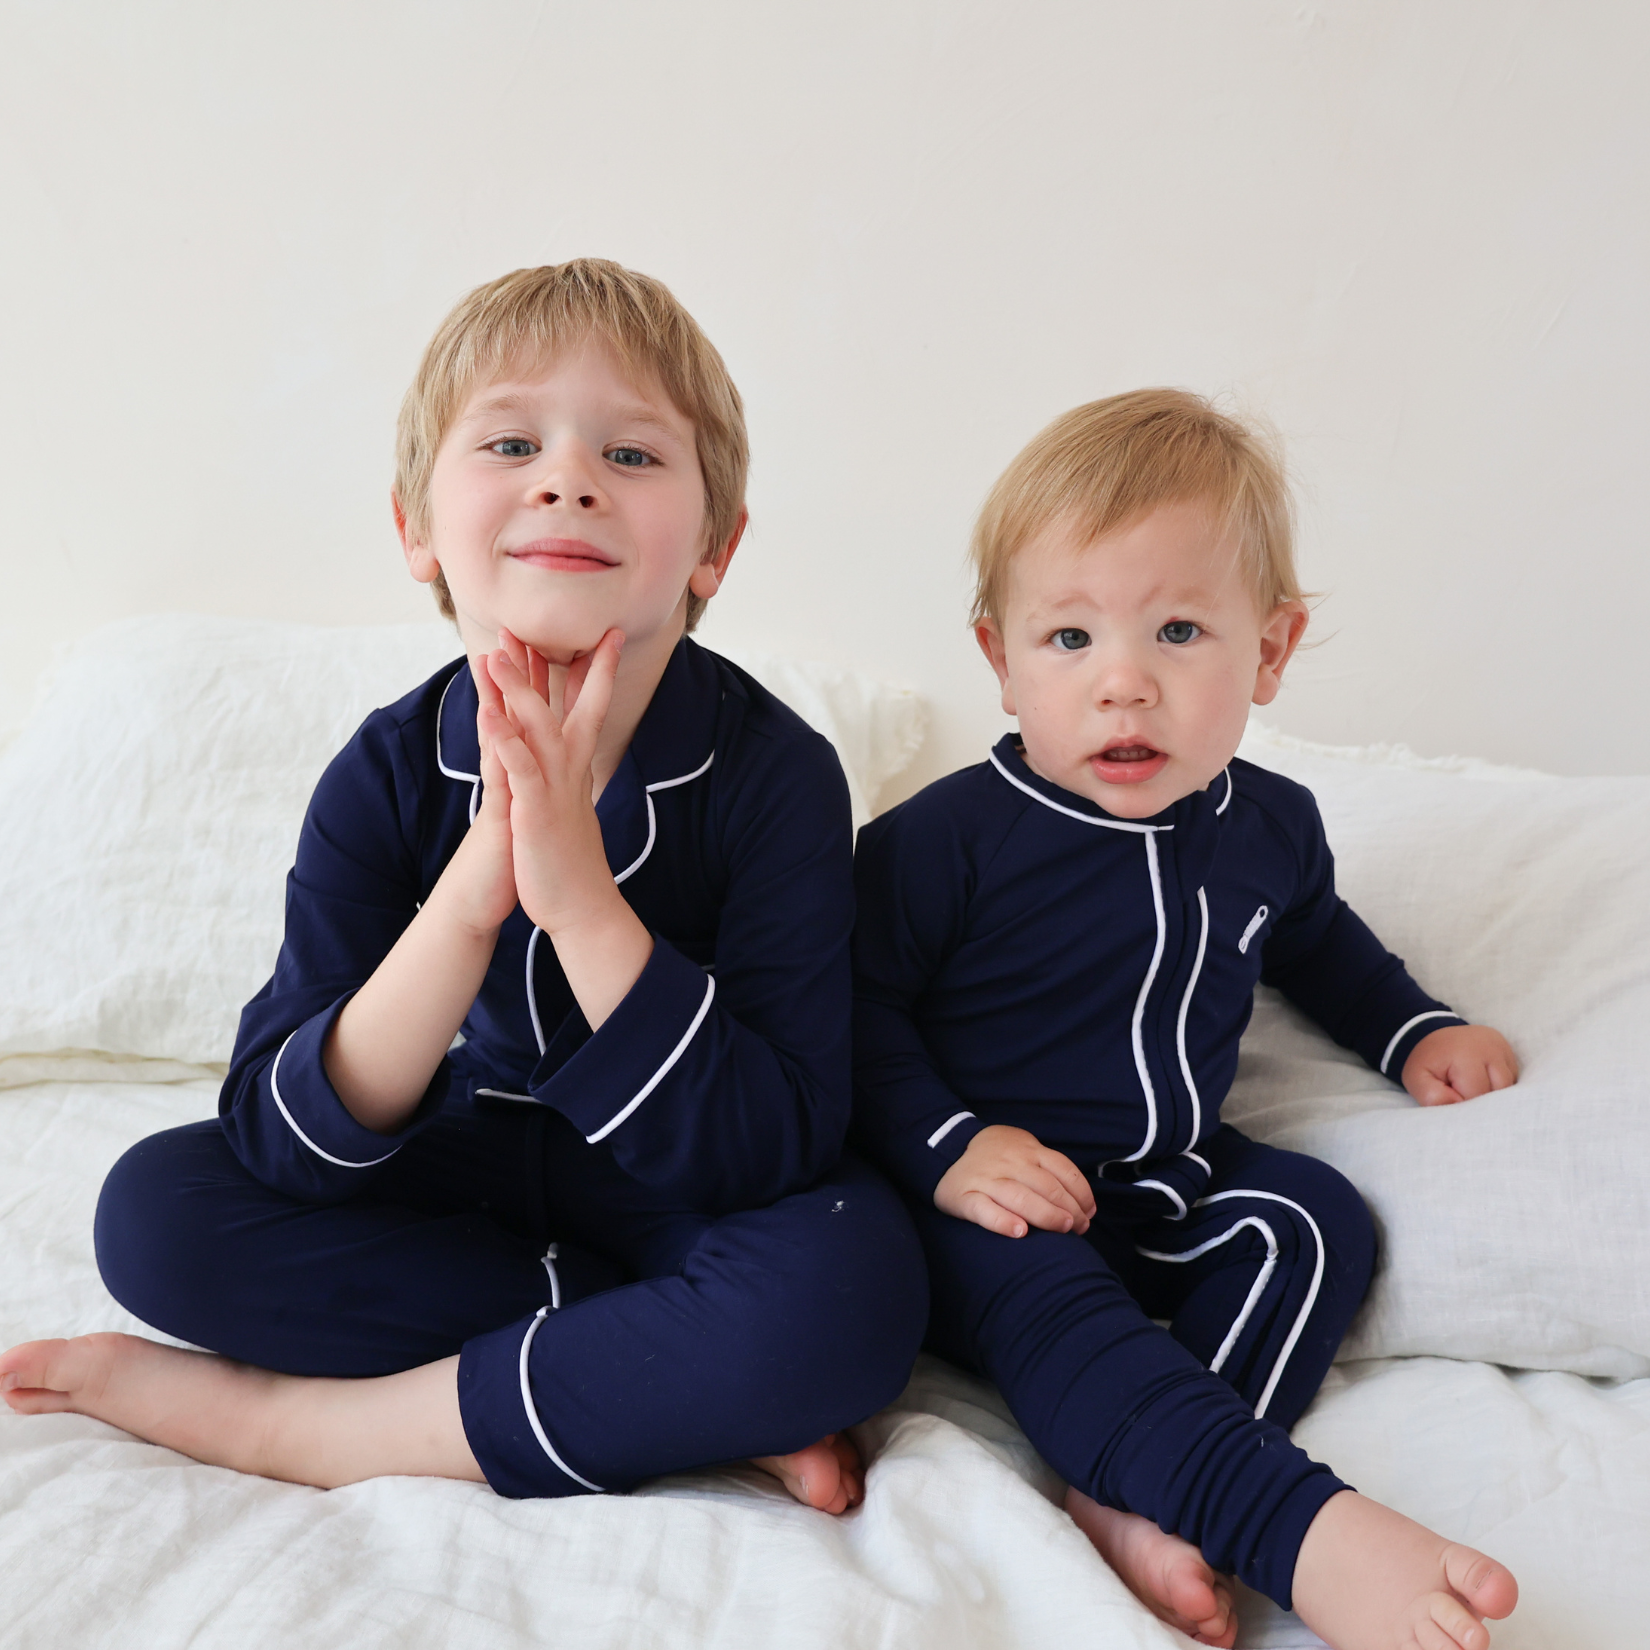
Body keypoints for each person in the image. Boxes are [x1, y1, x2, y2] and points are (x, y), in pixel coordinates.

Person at [0, 259, 926, 1514]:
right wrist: (476, 890)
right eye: (510, 443)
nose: (568, 480)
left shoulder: (779, 774)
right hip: (458, 1176)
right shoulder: (386, 770)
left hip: (672, 1193)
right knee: (156, 1212)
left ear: (715, 547)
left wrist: (581, 900)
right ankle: (654, 1371)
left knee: (854, 1288)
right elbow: (279, 1131)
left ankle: (298, 1427)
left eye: (632, 455)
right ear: (416, 529)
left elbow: (775, 1144)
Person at [850, 389, 1521, 1649]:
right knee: (1054, 1296)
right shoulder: (943, 843)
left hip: (1169, 1179)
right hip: (989, 1201)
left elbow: (1322, 946)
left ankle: (1137, 1488)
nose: (1124, 684)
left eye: (1177, 630)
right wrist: (952, 1149)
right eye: (1068, 638)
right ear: (999, 660)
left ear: (1270, 649)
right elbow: (850, 1013)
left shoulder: (1271, 827)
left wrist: (1415, 1028)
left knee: (1315, 1222)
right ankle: (1215, 1498)